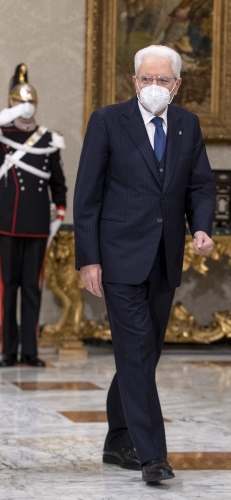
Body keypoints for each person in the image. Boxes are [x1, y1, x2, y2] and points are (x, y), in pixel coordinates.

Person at [73, 45, 215, 483]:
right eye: (146, 79)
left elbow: (201, 185)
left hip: (165, 257)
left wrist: (201, 227)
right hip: (119, 257)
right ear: (134, 81)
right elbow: (87, 195)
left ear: (177, 85)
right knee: (136, 352)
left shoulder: (188, 124)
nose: (154, 86)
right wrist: (89, 259)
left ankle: (118, 440)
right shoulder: (107, 121)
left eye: (162, 80)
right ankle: (152, 455)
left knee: (144, 354)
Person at [0, 64, 67, 368]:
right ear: (11, 104)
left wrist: (60, 211)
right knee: (9, 287)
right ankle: (8, 351)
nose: (26, 106)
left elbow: (58, 182)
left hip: (38, 222)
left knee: (32, 287)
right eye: (20, 102)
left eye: (30, 101)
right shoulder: (0, 137)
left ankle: (30, 351)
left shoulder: (48, 139)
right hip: (8, 220)